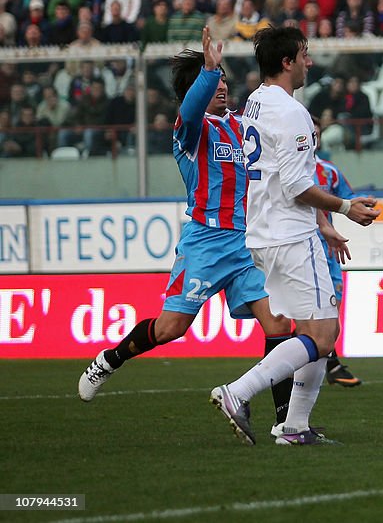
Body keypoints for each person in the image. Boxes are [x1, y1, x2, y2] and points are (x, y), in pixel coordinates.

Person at [77, 28, 295, 428]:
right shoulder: (190, 131)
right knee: (171, 328)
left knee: (279, 325)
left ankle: (286, 423)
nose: (223, 86)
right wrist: (207, 71)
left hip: (244, 244)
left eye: (224, 78)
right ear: (196, 87)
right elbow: (192, 109)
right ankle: (110, 359)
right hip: (205, 244)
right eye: (214, 81)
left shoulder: (240, 126)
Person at [211, 26, 378, 446]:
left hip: (262, 234)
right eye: (304, 54)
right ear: (287, 62)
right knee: (323, 334)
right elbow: (296, 186)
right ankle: (239, 392)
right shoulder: (291, 112)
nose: (310, 62)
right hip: (291, 233)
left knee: (308, 331)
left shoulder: (254, 103)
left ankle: (294, 428)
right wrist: (344, 208)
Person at [311, 116, 362, 388]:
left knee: (331, 318)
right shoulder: (288, 167)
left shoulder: (328, 172)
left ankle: (329, 362)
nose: (313, 138)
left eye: (317, 133)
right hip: (299, 247)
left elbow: (348, 201)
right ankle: (327, 364)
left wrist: (360, 206)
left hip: (328, 248)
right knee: (310, 318)